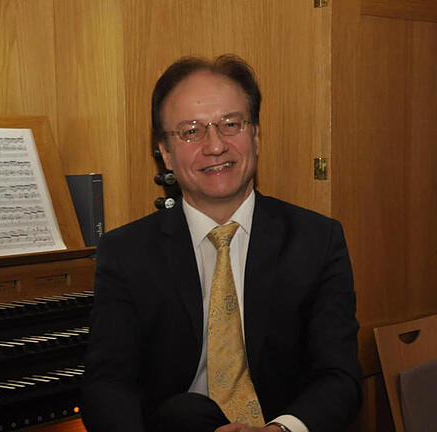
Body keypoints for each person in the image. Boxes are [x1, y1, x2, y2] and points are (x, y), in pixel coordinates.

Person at [81, 55, 362, 432]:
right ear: (164, 151)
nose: (215, 146)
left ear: (256, 136)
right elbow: (107, 385)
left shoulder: (317, 240)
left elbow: (338, 377)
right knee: (187, 413)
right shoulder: (126, 253)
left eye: (231, 124)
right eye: (191, 131)